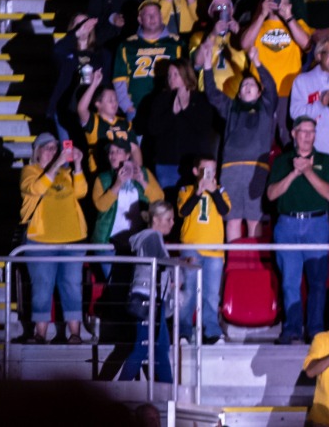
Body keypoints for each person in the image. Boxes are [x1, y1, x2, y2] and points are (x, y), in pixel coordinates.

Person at [268, 116, 329, 343]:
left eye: (312, 132)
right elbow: (271, 194)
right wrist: (294, 173)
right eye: (303, 131)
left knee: (317, 280)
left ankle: (315, 329)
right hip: (287, 224)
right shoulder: (282, 161)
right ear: (293, 134)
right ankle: (292, 328)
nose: (308, 136)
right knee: (290, 280)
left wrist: (308, 171)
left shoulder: (326, 161)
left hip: (316, 224)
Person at [19, 133, 90, 344]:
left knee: (72, 285)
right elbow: (35, 188)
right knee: (42, 286)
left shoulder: (65, 172)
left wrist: (77, 165)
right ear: (37, 151)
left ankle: (75, 333)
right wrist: (56, 163)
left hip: (73, 238)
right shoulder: (29, 171)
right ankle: (39, 333)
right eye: (47, 147)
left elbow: (81, 191)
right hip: (40, 239)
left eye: (55, 148)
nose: (52, 151)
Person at [204, 58, 277, 241]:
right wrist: (206, 68)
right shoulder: (231, 107)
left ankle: (252, 265)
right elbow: (212, 94)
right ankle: (233, 264)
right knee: (232, 218)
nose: (247, 86)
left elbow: (271, 87)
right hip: (230, 169)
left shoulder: (266, 107)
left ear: (260, 92)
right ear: (238, 94)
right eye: (244, 85)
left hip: (257, 169)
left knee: (255, 219)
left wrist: (258, 64)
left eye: (252, 84)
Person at [119, 200, 188, 382]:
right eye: (169, 219)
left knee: (160, 348)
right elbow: (160, 262)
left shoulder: (148, 237)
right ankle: (121, 389)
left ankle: (168, 393)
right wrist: (180, 265)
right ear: (156, 219)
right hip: (148, 297)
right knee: (145, 347)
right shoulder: (152, 236)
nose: (172, 223)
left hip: (153, 297)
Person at [134, 61, 217, 189]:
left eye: (175, 74)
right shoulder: (161, 99)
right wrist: (172, 113)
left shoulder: (200, 99)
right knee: (168, 203)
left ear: (186, 75)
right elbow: (152, 128)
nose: (171, 78)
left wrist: (186, 109)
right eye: (169, 75)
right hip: (166, 164)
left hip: (193, 166)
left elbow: (205, 128)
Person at [176, 158, 230, 343]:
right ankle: (183, 330)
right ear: (195, 171)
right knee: (189, 291)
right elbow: (183, 211)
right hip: (191, 248)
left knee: (211, 294)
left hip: (214, 250)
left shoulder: (221, 190)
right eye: (204, 170)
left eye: (212, 170)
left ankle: (212, 331)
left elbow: (225, 211)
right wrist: (198, 192)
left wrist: (214, 192)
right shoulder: (186, 190)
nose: (208, 174)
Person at [112, 0, 180, 118]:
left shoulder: (176, 43)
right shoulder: (127, 45)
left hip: (169, 109)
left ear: (161, 17)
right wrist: (127, 107)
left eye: (155, 14)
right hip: (137, 109)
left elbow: (185, 76)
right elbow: (119, 79)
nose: (152, 18)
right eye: (147, 14)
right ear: (140, 19)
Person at [88, 141, 163, 248]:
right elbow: (101, 207)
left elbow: (159, 199)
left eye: (118, 152)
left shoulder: (143, 172)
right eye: (111, 152)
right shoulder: (102, 178)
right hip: (109, 240)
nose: (113, 155)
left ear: (127, 155)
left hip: (137, 239)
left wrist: (142, 181)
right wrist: (117, 184)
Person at [244, 0, 312, 94]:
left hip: (290, 91)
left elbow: (307, 45)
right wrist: (262, 14)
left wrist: (289, 17)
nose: (277, 3)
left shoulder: (298, 25)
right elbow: (244, 45)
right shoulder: (257, 26)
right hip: (261, 92)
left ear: (289, 5)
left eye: (282, 1)